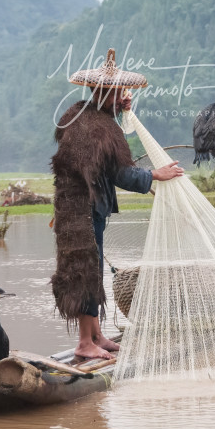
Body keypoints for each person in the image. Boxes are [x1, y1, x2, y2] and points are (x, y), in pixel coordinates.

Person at [50, 49, 183, 360]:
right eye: (119, 92)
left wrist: (115, 110)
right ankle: (85, 342)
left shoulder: (82, 115)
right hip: (80, 210)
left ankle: (97, 335)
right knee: (83, 270)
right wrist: (154, 174)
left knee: (93, 267)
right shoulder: (98, 127)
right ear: (105, 92)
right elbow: (120, 173)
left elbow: (103, 163)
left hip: (79, 207)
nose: (124, 95)